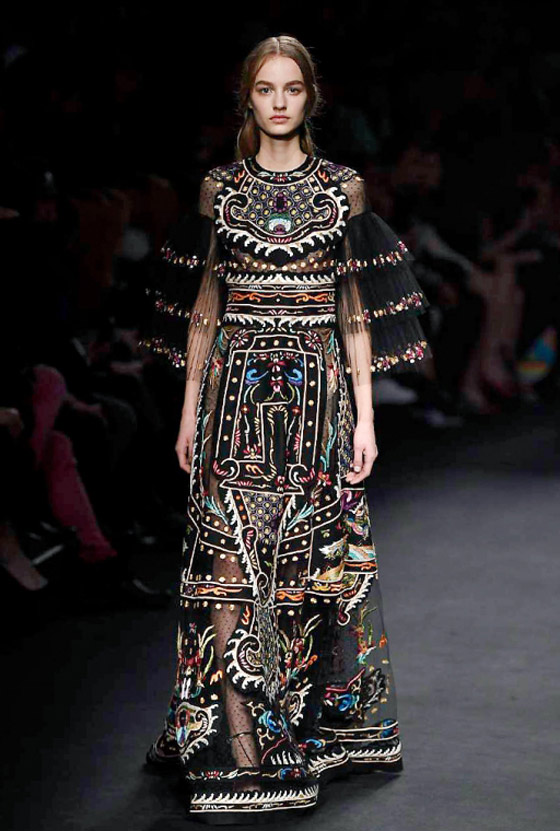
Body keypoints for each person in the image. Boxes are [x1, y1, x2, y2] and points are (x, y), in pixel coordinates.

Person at [142, 35, 432, 823]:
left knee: (306, 565)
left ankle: (294, 725)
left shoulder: (343, 189)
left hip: (318, 396)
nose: (278, 101)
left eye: (291, 88)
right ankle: (235, 741)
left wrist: (366, 414)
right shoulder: (219, 189)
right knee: (227, 557)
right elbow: (206, 303)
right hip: (234, 389)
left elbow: (353, 308)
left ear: (312, 97)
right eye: (265, 88)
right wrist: (188, 407)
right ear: (248, 97)